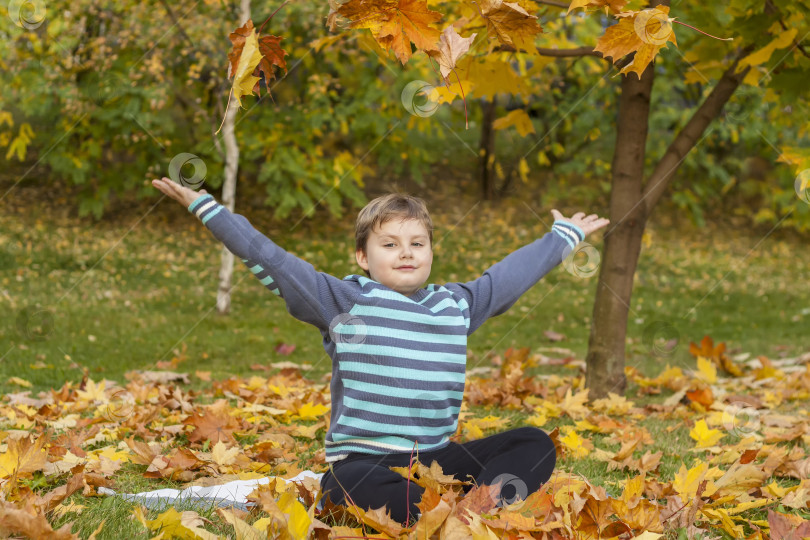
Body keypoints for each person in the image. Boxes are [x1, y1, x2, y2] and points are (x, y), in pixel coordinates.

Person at [151, 177, 610, 525]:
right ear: (363, 257)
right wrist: (208, 209)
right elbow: (272, 260)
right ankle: (443, 521)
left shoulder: (455, 305)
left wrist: (563, 236)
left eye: (417, 243)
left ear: (431, 251)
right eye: (389, 244)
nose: (406, 253)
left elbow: (510, 276)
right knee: (348, 485)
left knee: (531, 443)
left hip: (437, 465)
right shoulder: (343, 302)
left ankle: (478, 512)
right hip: (365, 465)